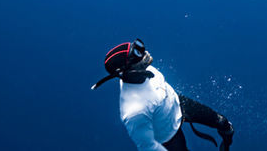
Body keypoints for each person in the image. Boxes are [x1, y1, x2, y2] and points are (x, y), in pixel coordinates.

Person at [92, 39, 234, 151]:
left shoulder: (145, 68)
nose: (145, 53)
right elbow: (148, 147)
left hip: (178, 103)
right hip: (169, 138)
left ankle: (226, 144)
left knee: (224, 124)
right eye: (137, 56)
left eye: (139, 48)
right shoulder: (134, 111)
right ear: (128, 72)